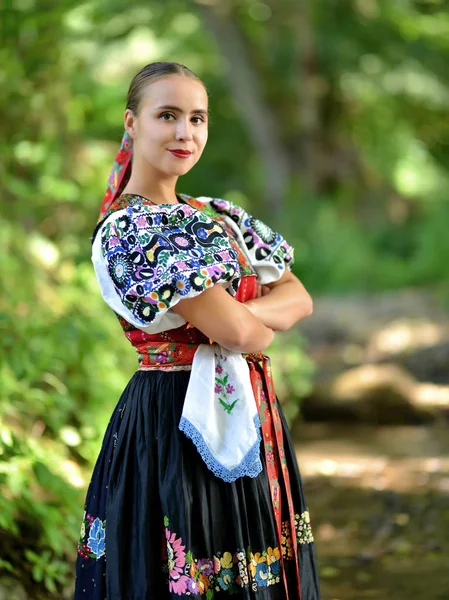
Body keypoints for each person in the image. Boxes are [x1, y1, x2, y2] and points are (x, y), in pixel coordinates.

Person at [74, 61, 320, 600]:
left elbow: (298, 298)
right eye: (168, 115)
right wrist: (246, 322)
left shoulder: (217, 216)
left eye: (197, 118)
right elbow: (243, 335)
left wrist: (237, 320)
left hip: (249, 408)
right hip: (169, 419)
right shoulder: (131, 231)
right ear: (132, 122)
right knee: (180, 568)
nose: (185, 133)